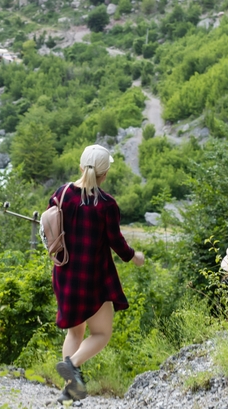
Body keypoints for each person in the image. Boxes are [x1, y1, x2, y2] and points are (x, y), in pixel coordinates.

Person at [50, 144, 145, 401]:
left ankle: (70, 388)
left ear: (80, 167)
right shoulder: (107, 204)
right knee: (101, 334)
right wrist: (134, 257)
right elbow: (117, 242)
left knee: (74, 332)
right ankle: (73, 367)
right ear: (105, 174)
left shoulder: (61, 194)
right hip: (93, 279)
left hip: (65, 276)